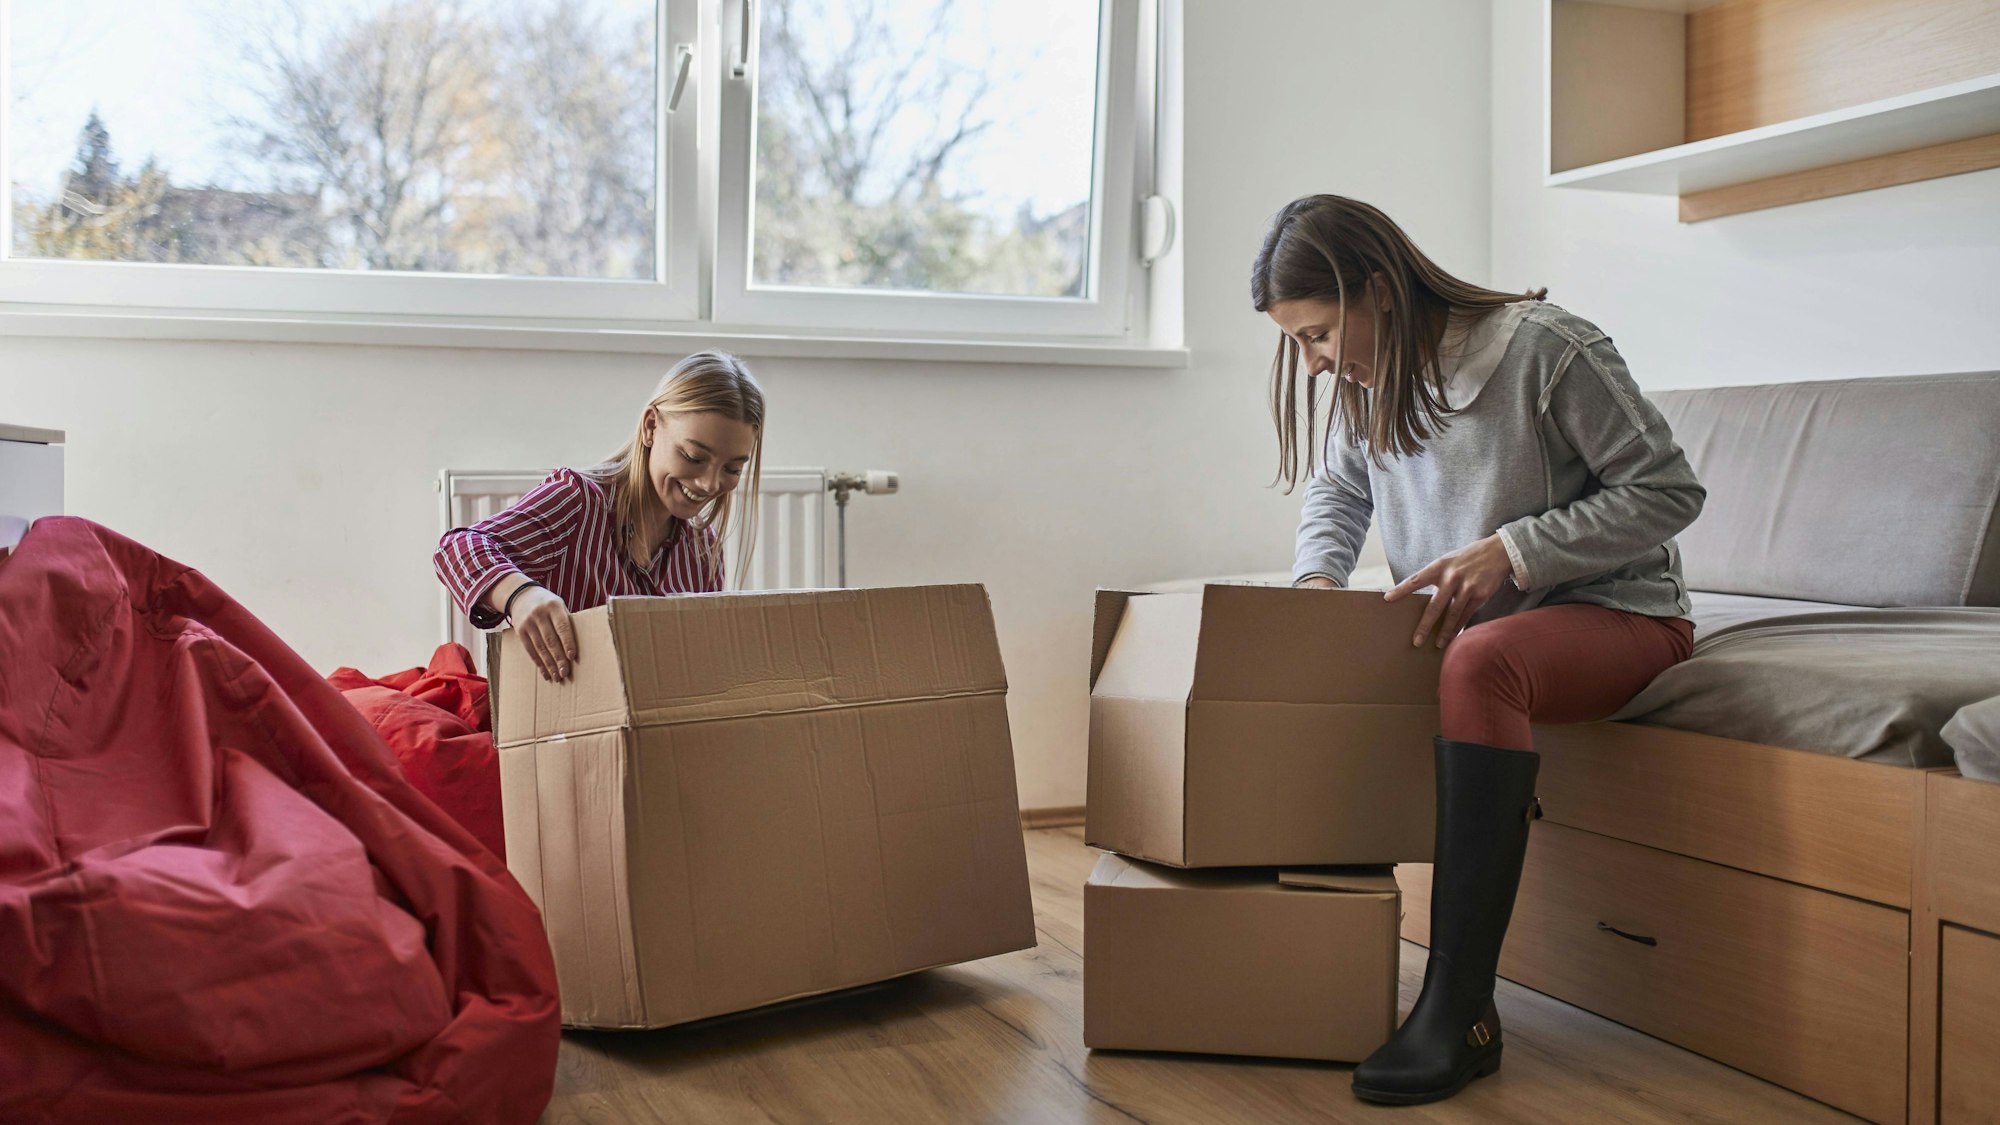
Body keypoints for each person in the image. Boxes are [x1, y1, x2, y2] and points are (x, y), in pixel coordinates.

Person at [1252, 195, 1705, 1105]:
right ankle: (1304, 955)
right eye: (1297, 342)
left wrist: (1515, 548)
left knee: (1478, 660)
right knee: (1341, 651)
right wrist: (1315, 587)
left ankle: (1460, 1006)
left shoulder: (1548, 348)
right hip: (1490, 628)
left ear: (1378, 291)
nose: (1313, 361)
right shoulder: (1371, 382)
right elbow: (1340, 497)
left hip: (1622, 613)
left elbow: (1667, 490)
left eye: (1317, 334)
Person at [435, 351, 765, 682]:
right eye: (694, 456)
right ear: (651, 427)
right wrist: (521, 595)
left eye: (733, 468)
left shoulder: (702, 553)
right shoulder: (579, 501)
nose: (710, 483)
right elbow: (457, 548)